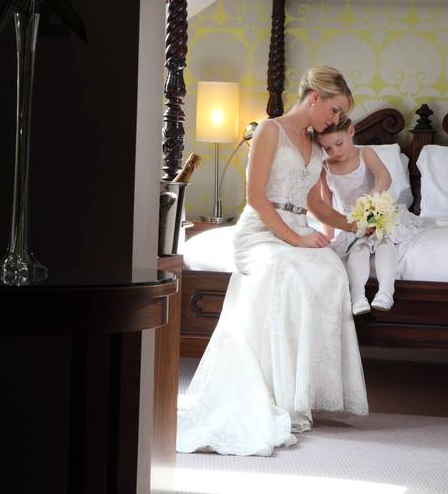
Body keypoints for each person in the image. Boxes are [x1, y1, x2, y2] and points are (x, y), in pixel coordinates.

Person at [176, 66, 369, 457]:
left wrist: (353, 224)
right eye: (333, 110)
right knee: (287, 272)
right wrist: (296, 238)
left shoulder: (317, 146)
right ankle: (275, 393)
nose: (335, 121)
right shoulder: (270, 130)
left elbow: (314, 204)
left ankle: (303, 392)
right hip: (261, 233)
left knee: (330, 270)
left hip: (295, 228)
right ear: (314, 96)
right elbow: (256, 198)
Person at [312, 117, 422, 315]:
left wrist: (368, 205)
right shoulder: (325, 167)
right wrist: (328, 235)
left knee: (384, 240)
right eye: (328, 148)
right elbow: (326, 204)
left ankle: (386, 293)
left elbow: (384, 177)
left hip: (378, 210)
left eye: (339, 144)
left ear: (351, 132)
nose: (335, 151)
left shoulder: (366, 153)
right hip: (350, 221)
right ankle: (358, 297)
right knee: (358, 247)